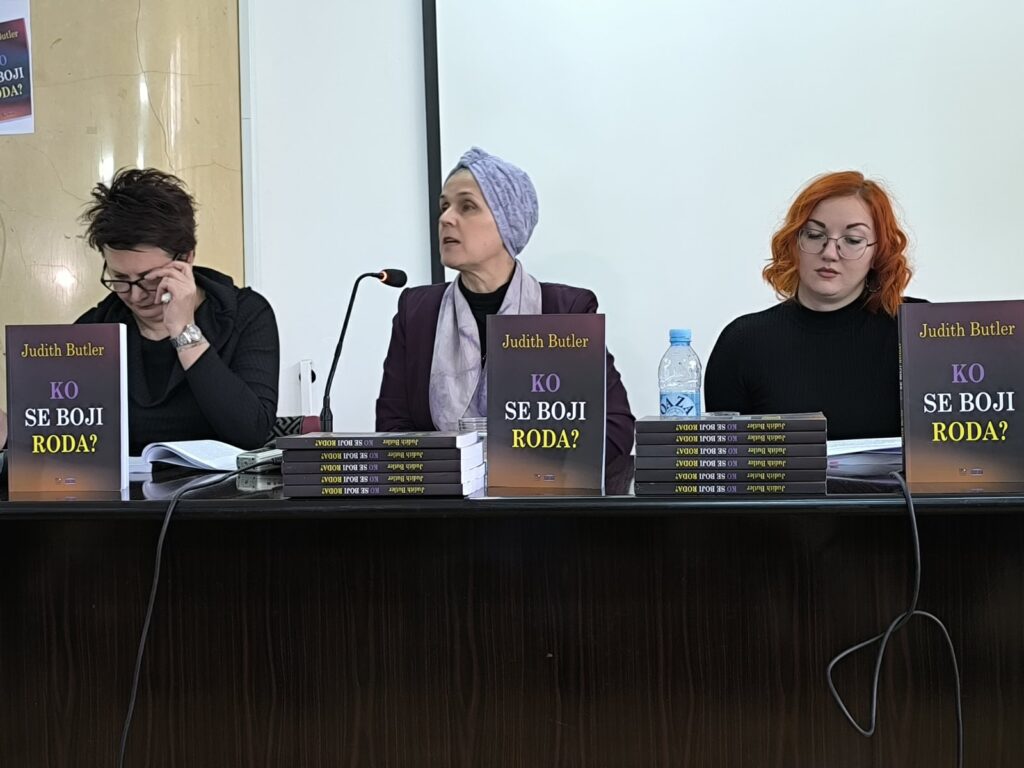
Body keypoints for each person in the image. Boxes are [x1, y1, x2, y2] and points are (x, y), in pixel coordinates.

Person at [375, 147, 636, 492]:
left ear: (507, 221)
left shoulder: (564, 310)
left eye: (467, 206)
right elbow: (393, 430)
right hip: (444, 509)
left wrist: (533, 470)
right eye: (444, 206)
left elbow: (615, 429)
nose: (446, 218)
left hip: (543, 507)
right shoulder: (417, 312)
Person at [74, 168, 280, 454]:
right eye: (119, 279)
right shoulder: (93, 331)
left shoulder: (247, 315)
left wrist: (185, 332)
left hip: (224, 483)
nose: (135, 295)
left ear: (187, 258)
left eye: (150, 279)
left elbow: (251, 432)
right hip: (126, 484)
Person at [704, 171, 921, 439]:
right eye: (814, 235)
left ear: (878, 252)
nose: (829, 253)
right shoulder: (742, 342)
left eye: (853, 240)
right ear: (793, 242)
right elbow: (726, 457)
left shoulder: (916, 330)